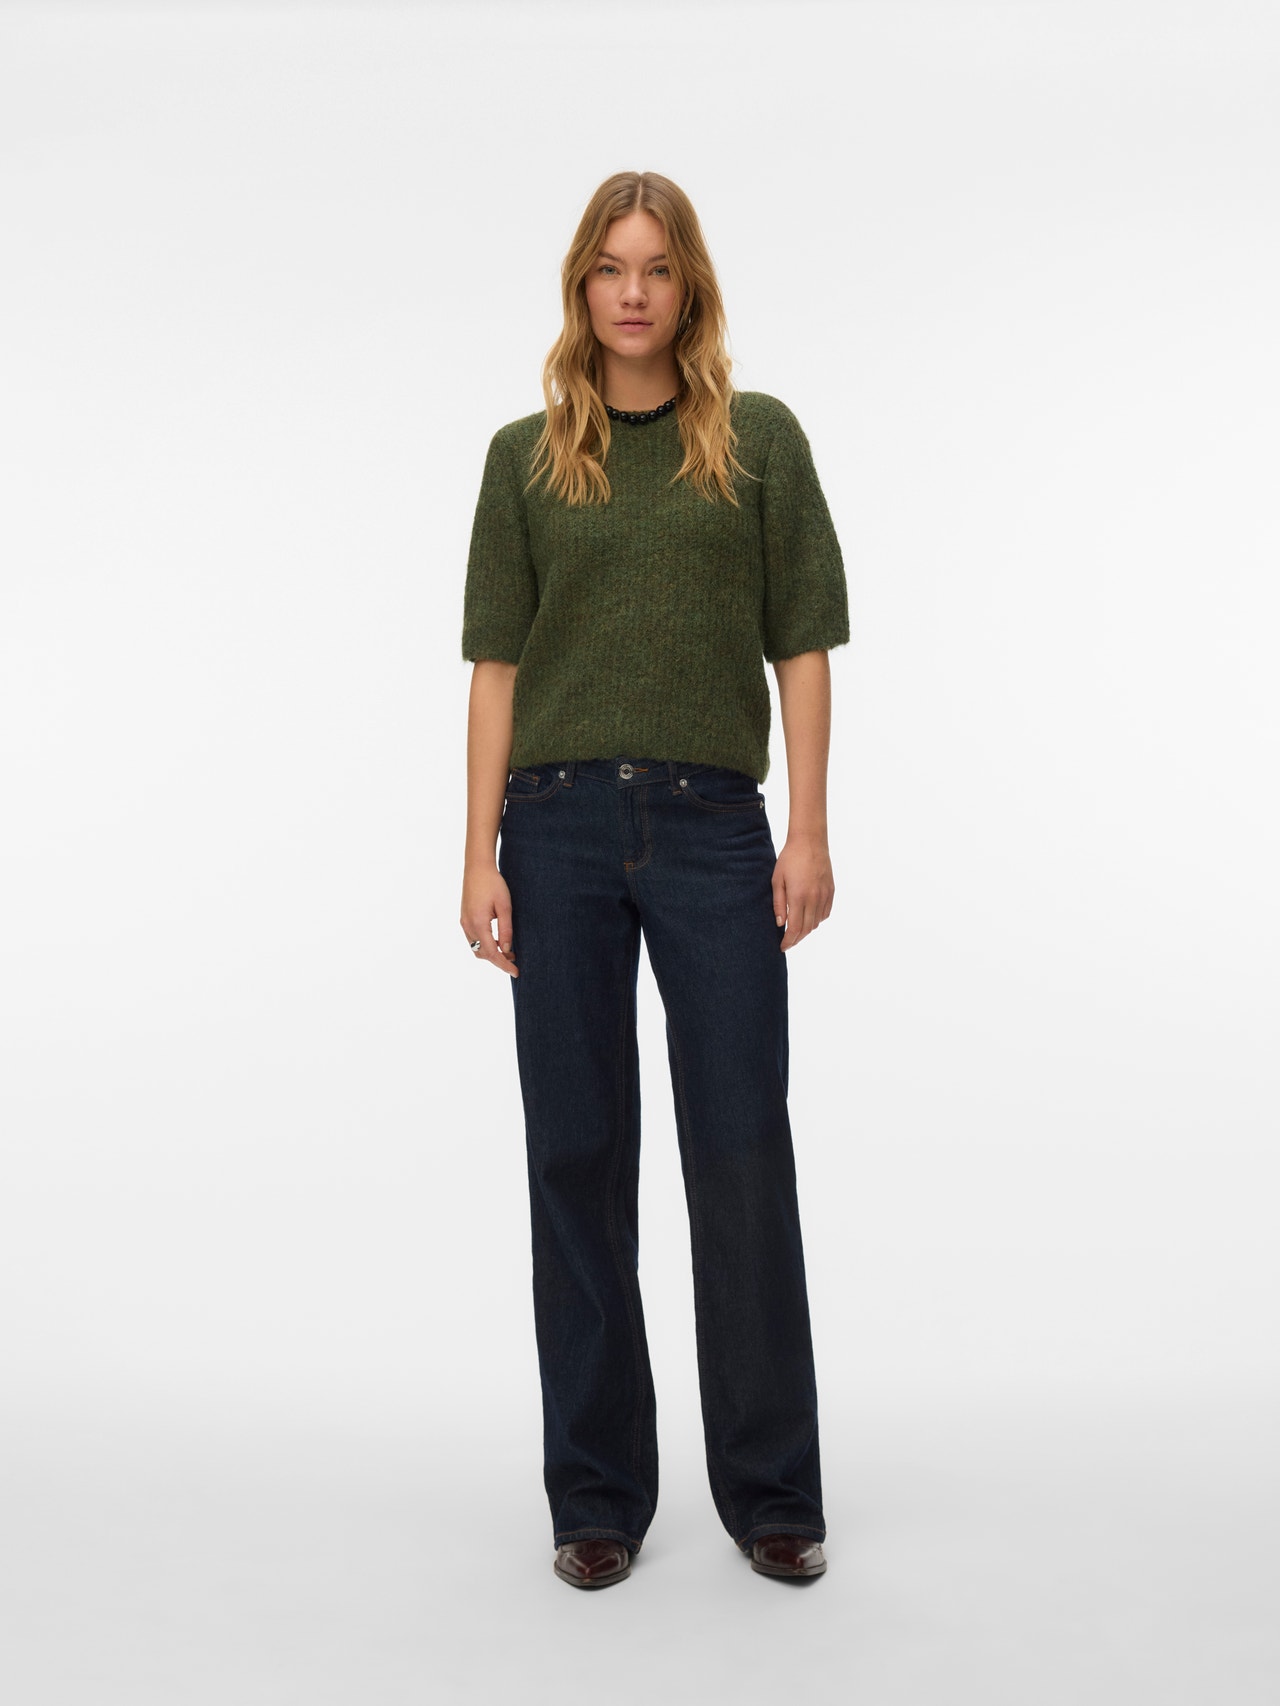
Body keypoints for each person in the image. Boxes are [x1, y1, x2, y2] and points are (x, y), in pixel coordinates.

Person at [459, 170, 849, 1589]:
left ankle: (773, 1492)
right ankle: (597, 1495)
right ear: (583, 286)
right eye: (611, 268)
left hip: (712, 825)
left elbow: (803, 642)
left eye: (658, 268)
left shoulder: (757, 441)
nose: (634, 292)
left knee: (740, 1145)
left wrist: (809, 830)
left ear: (691, 288)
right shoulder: (524, 457)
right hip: (554, 829)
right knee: (576, 1152)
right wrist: (477, 853)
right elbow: (496, 667)